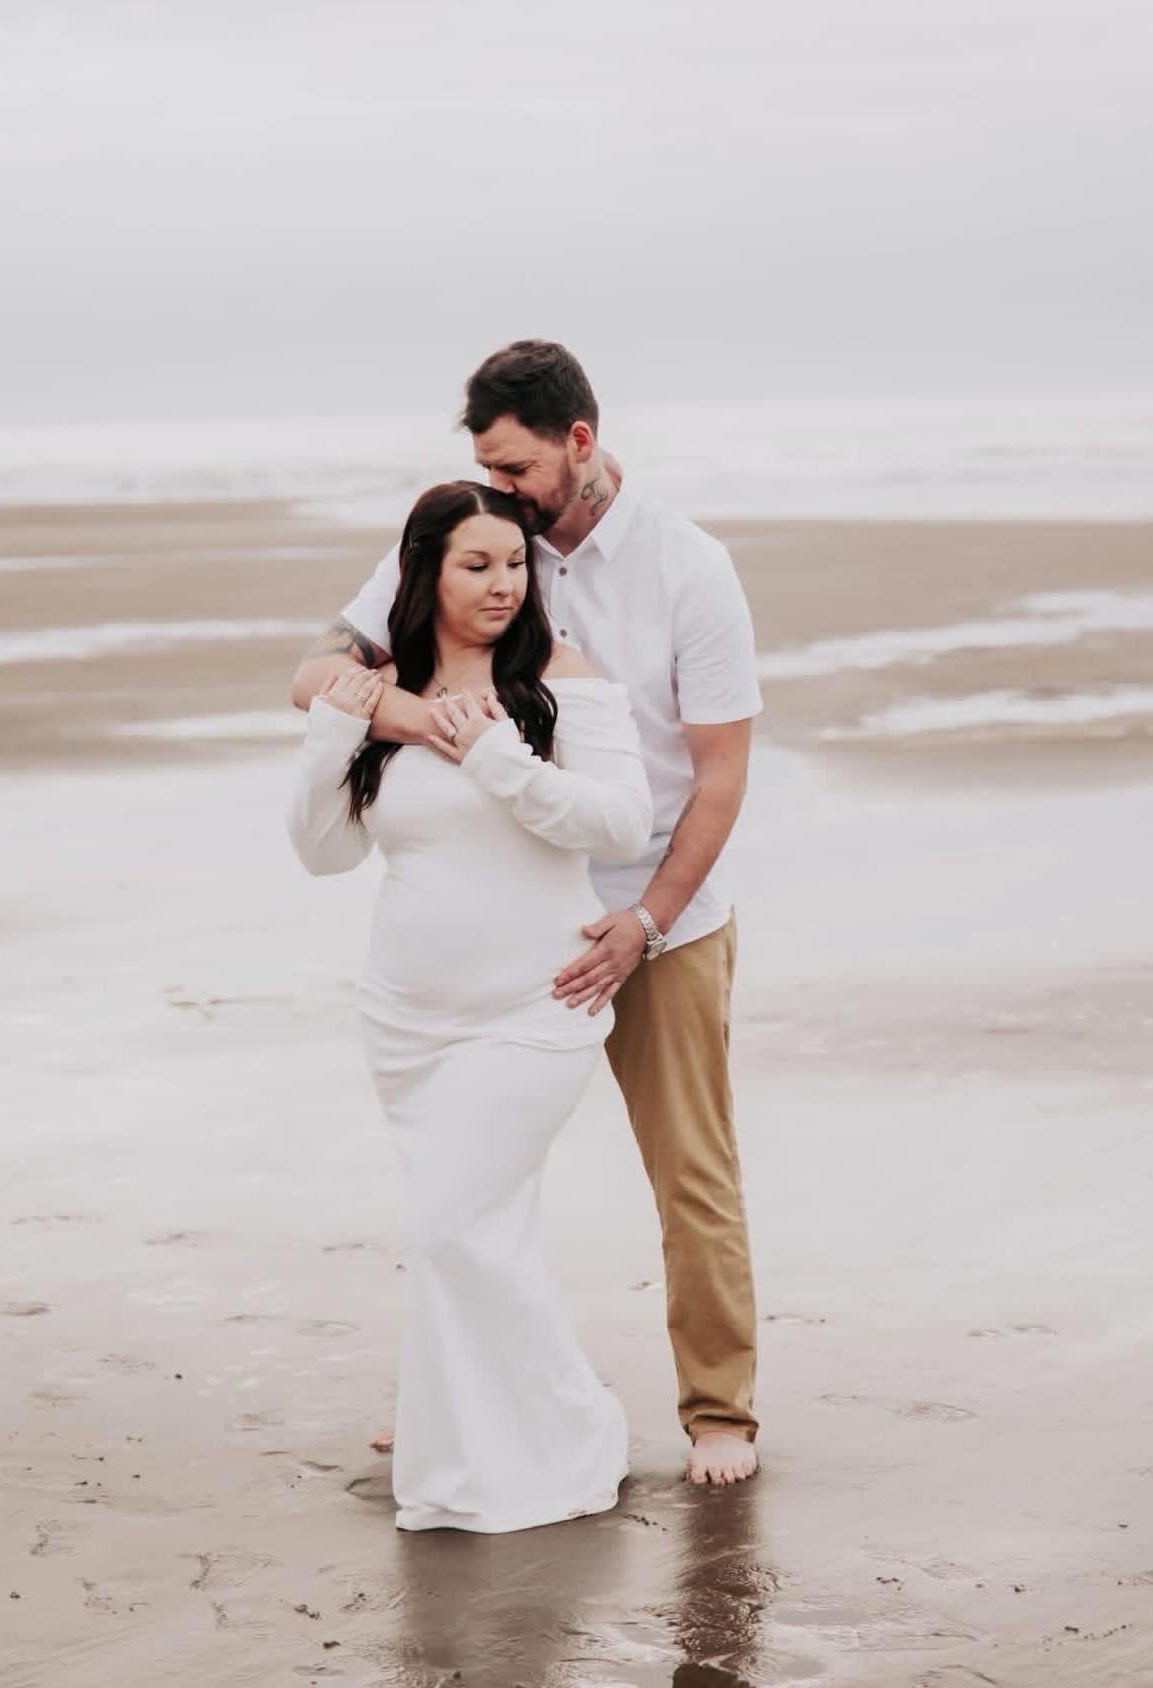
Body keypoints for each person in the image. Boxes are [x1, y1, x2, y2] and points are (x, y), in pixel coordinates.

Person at [291, 341, 763, 1487]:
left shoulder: (688, 569)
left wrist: (643, 920)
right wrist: (437, 727)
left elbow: (719, 776)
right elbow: (319, 675)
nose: (501, 486)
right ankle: (461, 1392)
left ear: (580, 445)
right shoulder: (482, 538)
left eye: (516, 462)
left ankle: (720, 1414)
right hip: (504, 917)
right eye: (485, 465)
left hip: (653, 915)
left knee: (688, 1169)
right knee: (469, 1183)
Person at [287, 479, 654, 1534]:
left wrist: (498, 756)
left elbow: (620, 825)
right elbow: (324, 852)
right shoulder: (383, 686)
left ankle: (574, 1428)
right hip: (407, 1022)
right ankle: (475, 1446)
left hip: (532, 1009)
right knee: (478, 1233)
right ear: (424, 574)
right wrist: (331, 736)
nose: (502, 585)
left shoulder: (561, 679)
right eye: (476, 566)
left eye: (514, 565)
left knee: (450, 1228)